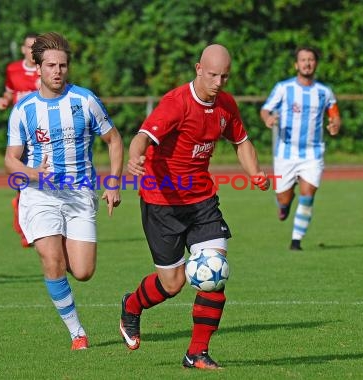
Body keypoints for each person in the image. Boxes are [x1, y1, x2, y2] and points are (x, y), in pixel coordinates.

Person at [120, 44, 270, 370]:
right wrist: (135, 156)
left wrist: (255, 172)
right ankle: (132, 305)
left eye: (224, 76)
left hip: (202, 202)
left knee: (214, 272)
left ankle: (196, 352)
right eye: (213, 74)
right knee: (172, 284)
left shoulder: (226, 105)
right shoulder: (176, 104)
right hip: (162, 203)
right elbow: (142, 136)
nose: (218, 82)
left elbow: (241, 141)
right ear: (198, 68)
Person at [4, 32, 123, 350]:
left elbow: (114, 140)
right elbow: (10, 159)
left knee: (83, 271)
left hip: (80, 194)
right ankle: (77, 333)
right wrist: (32, 174)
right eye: (51, 65)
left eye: (63, 65)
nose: (57, 71)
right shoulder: (24, 109)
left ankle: (65, 258)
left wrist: (113, 182)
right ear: (38, 66)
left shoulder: (84, 100)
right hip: (39, 194)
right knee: (51, 259)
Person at [260, 46, 341, 251]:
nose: (307, 63)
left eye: (311, 60)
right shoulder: (283, 88)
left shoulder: (324, 92)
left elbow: (334, 114)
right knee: (283, 197)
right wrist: (268, 118)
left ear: (316, 64)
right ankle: (285, 203)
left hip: (313, 153)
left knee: (308, 194)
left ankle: (296, 241)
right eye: (303, 60)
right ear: (297, 64)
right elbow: (266, 109)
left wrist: (335, 124)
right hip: (286, 153)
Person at [0, 33, 41, 248]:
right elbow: (9, 92)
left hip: (43, 132)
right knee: (22, 181)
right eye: (29, 47)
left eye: (36, 47)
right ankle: (24, 230)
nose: (32, 51)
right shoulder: (12, 69)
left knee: (43, 180)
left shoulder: (47, 69)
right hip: (20, 133)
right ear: (23, 49)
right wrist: (4, 101)